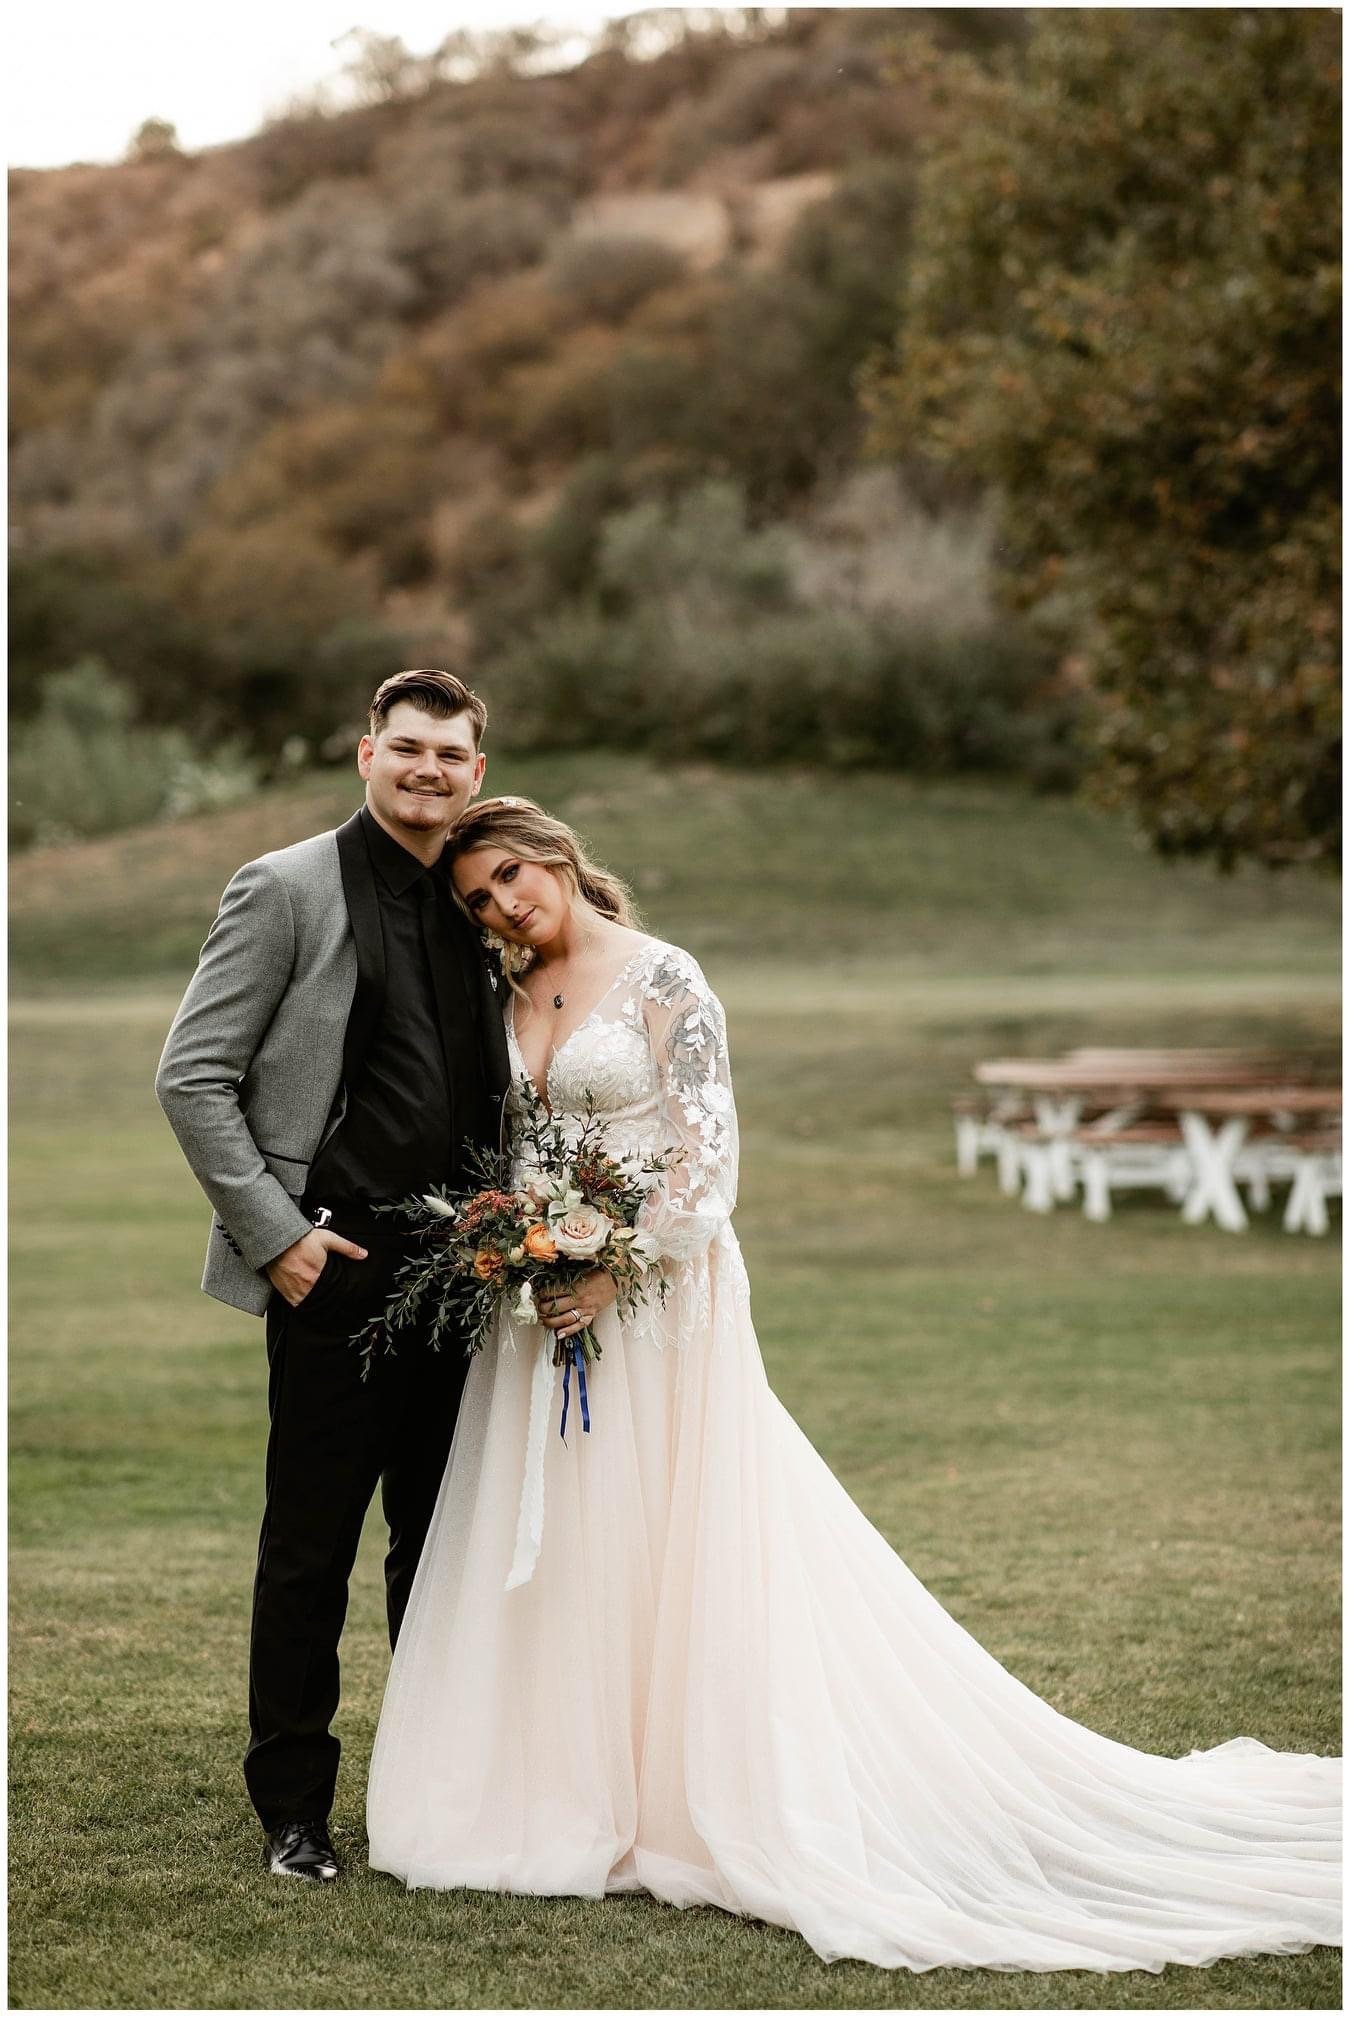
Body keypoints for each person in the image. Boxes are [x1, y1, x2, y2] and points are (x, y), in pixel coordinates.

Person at [365, 794, 1340, 1973]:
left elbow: (708, 1155)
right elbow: (516, 1147)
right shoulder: (507, 995)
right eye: (478, 896)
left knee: (676, 1529)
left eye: (513, 874)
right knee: (575, 1535)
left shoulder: (666, 977)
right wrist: (521, 1246)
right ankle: (574, 1787)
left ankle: (693, 1789)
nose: (503, 903)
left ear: (559, 857)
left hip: (662, 1296)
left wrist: (614, 1266)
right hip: (543, 1312)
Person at [155, 670, 509, 1885]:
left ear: (477, 767)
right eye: (407, 748)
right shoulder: (287, 885)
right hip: (336, 1263)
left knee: (445, 1545)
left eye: (451, 754)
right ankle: (295, 1812)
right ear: (367, 754)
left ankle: (433, 1799)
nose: (429, 770)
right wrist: (277, 1235)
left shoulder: (489, 892)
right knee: (311, 1550)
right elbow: (191, 1077)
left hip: (472, 1268)